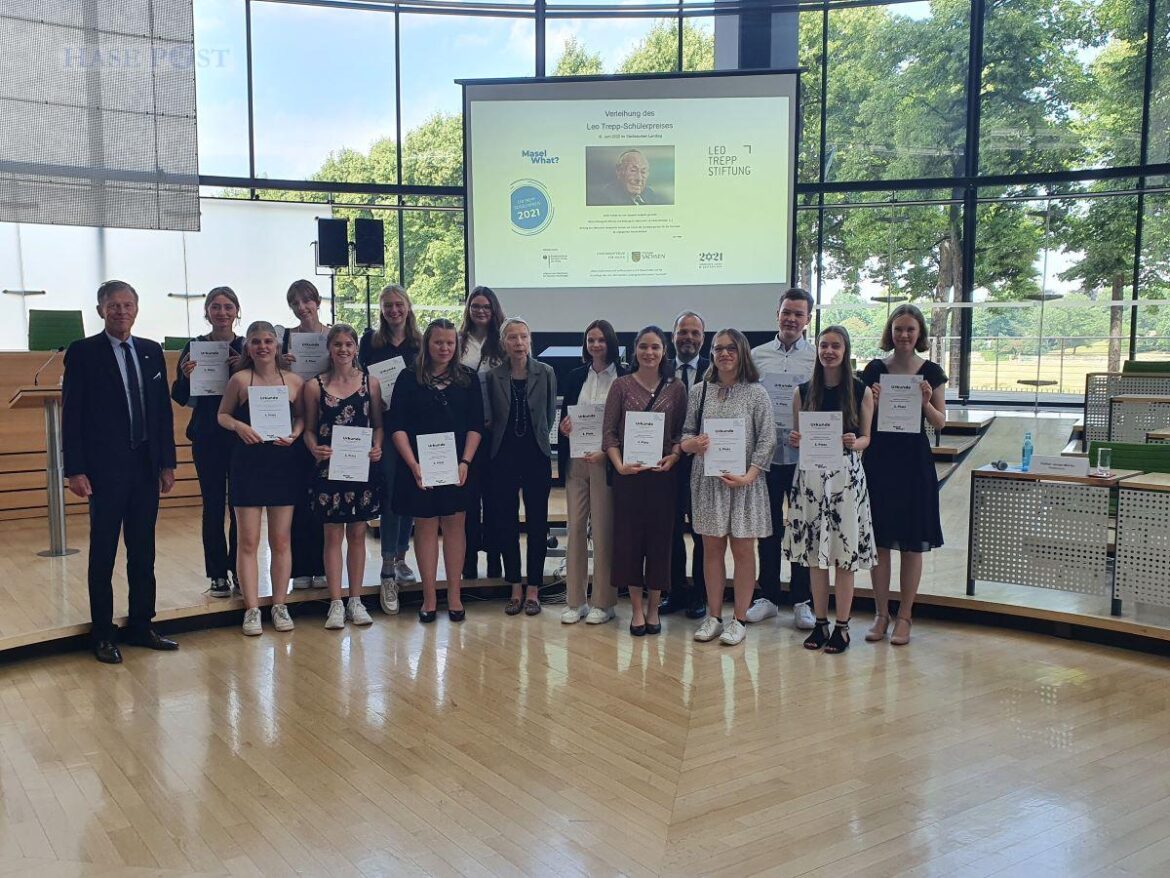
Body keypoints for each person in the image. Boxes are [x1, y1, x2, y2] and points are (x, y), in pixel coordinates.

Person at [63, 280, 179, 664]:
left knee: (143, 550)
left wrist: (168, 462)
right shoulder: (83, 353)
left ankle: (142, 625)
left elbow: (162, 412)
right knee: (104, 552)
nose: (121, 311)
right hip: (104, 470)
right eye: (113, 305)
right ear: (100, 310)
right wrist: (75, 469)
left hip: (146, 466)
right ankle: (102, 633)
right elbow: (72, 416)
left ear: (137, 309)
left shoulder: (149, 351)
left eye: (127, 304)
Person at [784, 325, 877, 654]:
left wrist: (856, 442)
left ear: (845, 350)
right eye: (824, 345)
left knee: (844, 556)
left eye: (835, 346)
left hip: (845, 480)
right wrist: (794, 440)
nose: (829, 351)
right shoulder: (803, 391)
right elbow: (797, 437)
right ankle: (820, 623)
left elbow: (867, 437)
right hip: (809, 481)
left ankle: (842, 626)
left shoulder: (861, 390)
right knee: (813, 557)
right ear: (817, 349)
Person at [679, 329, 775, 647]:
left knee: (744, 552)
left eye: (730, 348)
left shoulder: (756, 393)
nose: (724, 354)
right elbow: (685, 435)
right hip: (708, 483)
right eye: (718, 348)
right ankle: (715, 616)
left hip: (746, 484)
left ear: (742, 352)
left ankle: (740, 619)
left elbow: (767, 439)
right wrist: (692, 443)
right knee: (711, 550)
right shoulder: (699, 391)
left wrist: (749, 475)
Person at [860, 304, 947, 646]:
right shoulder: (874, 369)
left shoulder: (932, 371)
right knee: (879, 542)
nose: (904, 335)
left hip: (914, 463)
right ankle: (882, 614)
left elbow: (941, 422)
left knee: (912, 545)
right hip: (880, 461)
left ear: (920, 333)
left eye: (910, 329)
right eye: (898, 329)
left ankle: (906, 616)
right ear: (890, 332)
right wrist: (875, 403)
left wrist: (925, 402)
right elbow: (860, 419)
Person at [389, 319, 485, 623]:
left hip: (458, 467)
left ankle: (454, 595)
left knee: (456, 527)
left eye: (449, 343)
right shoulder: (408, 378)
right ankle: (429, 597)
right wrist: (413, 465)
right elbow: (397, 427)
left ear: (456, 346)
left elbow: (476, 426)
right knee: (426, 528)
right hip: (418, 468)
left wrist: (465, 462)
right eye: (438, 342)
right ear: (426, 345)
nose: (444, 348)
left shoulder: (468, 378)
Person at [217, 321, 305, 636]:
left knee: (281, 540)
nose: (263, 347)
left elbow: (303, 417)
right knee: (248, 540)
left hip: (283, 464)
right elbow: (222, 414)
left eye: (268, 341)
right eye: (256, 341)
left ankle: (279, 605)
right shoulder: (240, 380)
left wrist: (295, 434)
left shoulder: (294, 380)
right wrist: (240, 427)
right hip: (247, 465)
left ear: (278, 346)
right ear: (248, 347)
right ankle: (252, 609)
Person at [603, 326, 687, 636]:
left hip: (663, 476)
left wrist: (675, 457)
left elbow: (680, 434)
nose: (649, 353)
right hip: (629, 477)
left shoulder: (676, 388)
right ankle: (637, 609)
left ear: (665, 351)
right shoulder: (621, 386)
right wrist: (618, 465)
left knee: (659, 543)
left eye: (655, 347)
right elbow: (609, 433)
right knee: (629, 543)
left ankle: (654, 607)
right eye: (643, 347)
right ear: (635, 350)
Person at [305, 324, 385, 630]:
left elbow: (378, 424)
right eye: (337, 344)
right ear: (329, 348)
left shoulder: (370, 383)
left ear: (356, 348)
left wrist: (378, 445)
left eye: (348, 344)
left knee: (357, 536)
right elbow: (309, 430)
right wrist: (314, 448)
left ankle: (356, 600)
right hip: (329, 471)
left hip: (361, 469)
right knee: (332, 536)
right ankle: (336, 602)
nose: (343, 349)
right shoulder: (315, 386)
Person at [747, 287, 817, 630]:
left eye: (798, 314)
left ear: (808, 320)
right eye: (786, 312)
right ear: (777, 313)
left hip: (805, 458)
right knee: (768, 527)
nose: (791, 319)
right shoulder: (757, 355)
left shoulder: (819, 357)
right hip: (767, 457)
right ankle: (769, 597)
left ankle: (803, 600)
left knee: (803, 527)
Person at [171, 287, 244, 599]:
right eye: (216, 307)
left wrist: (245, 368)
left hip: (242, 435)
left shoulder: (247, 345)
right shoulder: (194, 347)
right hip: (206, 434)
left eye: (228, 306)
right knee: (213, 505)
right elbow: (180, 397)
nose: (222, 312)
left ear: (237, 311)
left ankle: (241, 569)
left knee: (241, 505)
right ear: (207, 312)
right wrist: (187, 378)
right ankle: (217, 574)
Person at [486, 318, 557, 616]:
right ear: (504, 343)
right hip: (503, 456)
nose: (518, 342)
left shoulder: (546, 372)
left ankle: (534, 588)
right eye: (512, 338)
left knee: (538, 523)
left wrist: (537, 438)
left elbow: (549, 414)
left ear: (530, 341)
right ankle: (514, 584)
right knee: (507, 522)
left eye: (523, 337)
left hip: (536, 455)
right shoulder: (493, 376)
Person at [557, 319, 626, 625]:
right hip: (576, 462)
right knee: (574, 529)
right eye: (590, 340)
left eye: (601, 340)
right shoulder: (574, 377)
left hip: (606, 462)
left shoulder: (624, 377)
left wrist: (609, 452)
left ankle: (603, 601)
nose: (596, 345)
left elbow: (627, 425)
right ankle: (575, 601)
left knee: (602, 531)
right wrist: (565, 427)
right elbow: (564, 421)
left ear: (611, 342)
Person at [359, 283, 422, 615]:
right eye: (388, 306)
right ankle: (386, 563)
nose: (394, 310)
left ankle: (401, 558)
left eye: (399, 304)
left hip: (414, 428)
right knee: (390, 493)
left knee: (410, 489)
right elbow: (359, 379)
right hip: (383, 426)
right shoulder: (370, 341)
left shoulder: (420, 343)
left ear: (408, 307)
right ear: (381, 310)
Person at [279, 279, 328, 591]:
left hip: (328, 423)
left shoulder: (334, 333)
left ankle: (323, 566)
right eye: (295, 303)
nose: (302, 307)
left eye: (306, 300)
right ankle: (300, 567)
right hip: (294, 423)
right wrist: (279, 364)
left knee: (324, 497)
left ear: (317, 301)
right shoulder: (283, 338)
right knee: (297, 497)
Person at [662, 310, 709, 619]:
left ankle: (700, 596)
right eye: (683, 332)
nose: (688, 338)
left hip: (705, 463)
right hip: (668, 463)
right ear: (673, 336)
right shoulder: (659, 369)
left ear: (702, 338)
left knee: (703, 533)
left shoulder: (715, 369)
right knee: (671, 531)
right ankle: (675, 591)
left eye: (694, 333)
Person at [458, 285, 506, 580]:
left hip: (497, 433)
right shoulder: (459, 342)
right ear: (468, 309)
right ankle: (469, 560)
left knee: (496, 498)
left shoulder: (502, 342)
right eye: (475, 306)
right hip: (466, 433)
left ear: (494, 310)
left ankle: (495, 560)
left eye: (486, 306)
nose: (480, 311)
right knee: (468, 498)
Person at [594, 149, 666, 206]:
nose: (639, 179)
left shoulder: (650, 194)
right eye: (633, 171)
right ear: (619, 171)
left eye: (643, 172)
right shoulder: (606, 198)